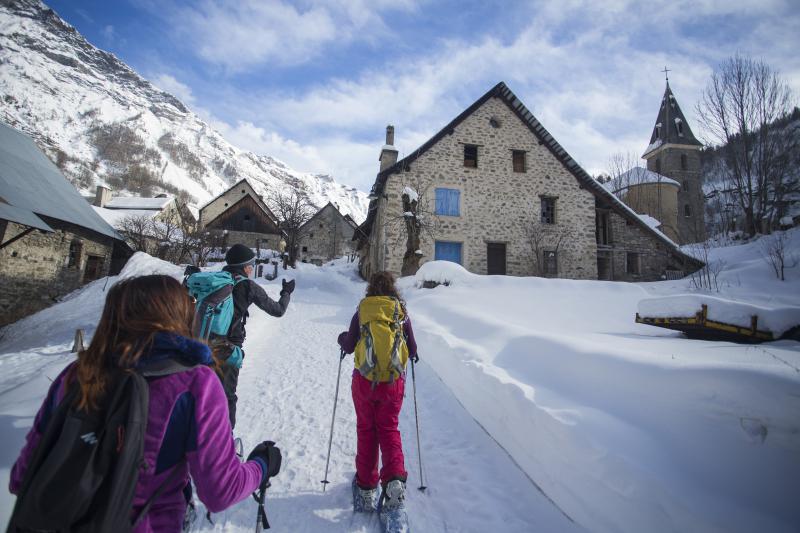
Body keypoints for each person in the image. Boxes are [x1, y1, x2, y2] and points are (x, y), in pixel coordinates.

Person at [8, 275, 281, 532]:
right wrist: (261, 465)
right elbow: (221, 491)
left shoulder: (77, 374)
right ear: (180, 317)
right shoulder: (195, 384)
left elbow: (22, 476)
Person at [337, 271, 418, 514]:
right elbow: (412, 348)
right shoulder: (400, 313)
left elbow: (349, 345)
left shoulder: (363, 311)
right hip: (392, 384)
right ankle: (394, 481)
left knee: (366, 429)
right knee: (388, 428)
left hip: (364, 381)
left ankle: (366, 487)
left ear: (370, 288)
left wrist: (342, 339)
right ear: (393, 288)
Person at [213, 243, 294, 428]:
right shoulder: (247, 285)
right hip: (227, 350)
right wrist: (286, 292)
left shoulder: (213, 280)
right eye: (251, 264)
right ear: (244, 266)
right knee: (227, 397)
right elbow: (278, 310)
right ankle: (226, 445)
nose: (252, 268)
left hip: (200, 344)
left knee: (202, 394)